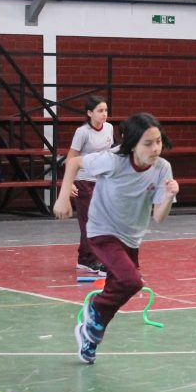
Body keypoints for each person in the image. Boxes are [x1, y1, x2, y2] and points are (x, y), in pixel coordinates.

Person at [54, 113, 178, 365]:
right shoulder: (112, 160)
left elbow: (158, 217)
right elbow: (74, 162)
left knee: (118, 287)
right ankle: (94, 310)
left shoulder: (162, 168)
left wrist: (167, 197)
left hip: (131, 238)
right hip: (102, 231)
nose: (155, 148)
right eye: (148, 143)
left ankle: (89, 335)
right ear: (132, 144)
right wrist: (63, 196)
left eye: (158, 142)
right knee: (131, 281)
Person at [67, 96, 115, 274]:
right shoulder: (82, 132)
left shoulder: (109, 128)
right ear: (89, 113)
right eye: (100, 111)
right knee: (89, 220)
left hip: (101, 181)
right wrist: (69, 182)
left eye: (106, 110)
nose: (104, 114)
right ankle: (90, 259)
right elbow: (71, 157)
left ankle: (85, 258)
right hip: (84, 180)